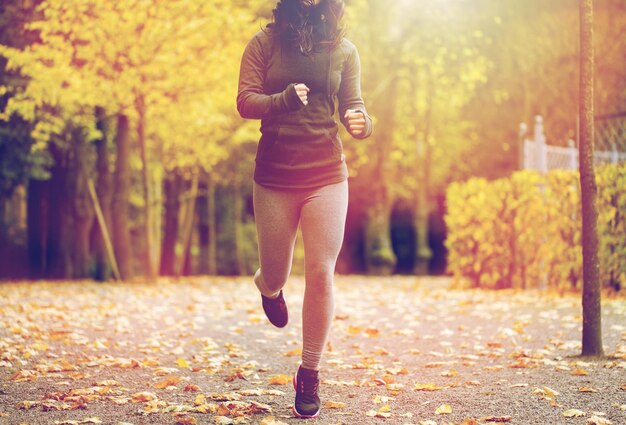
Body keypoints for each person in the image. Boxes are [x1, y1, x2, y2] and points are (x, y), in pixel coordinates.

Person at [236, 0, 372, 418]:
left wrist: (362, 122)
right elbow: (245, 101)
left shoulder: (344, 49)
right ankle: (268, 286)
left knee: (320, 270)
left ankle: (309, 371)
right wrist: (281, 101)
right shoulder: (264, 42)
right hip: (275, 176)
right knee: (276, 270)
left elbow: (355, 103)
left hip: (327, 173)